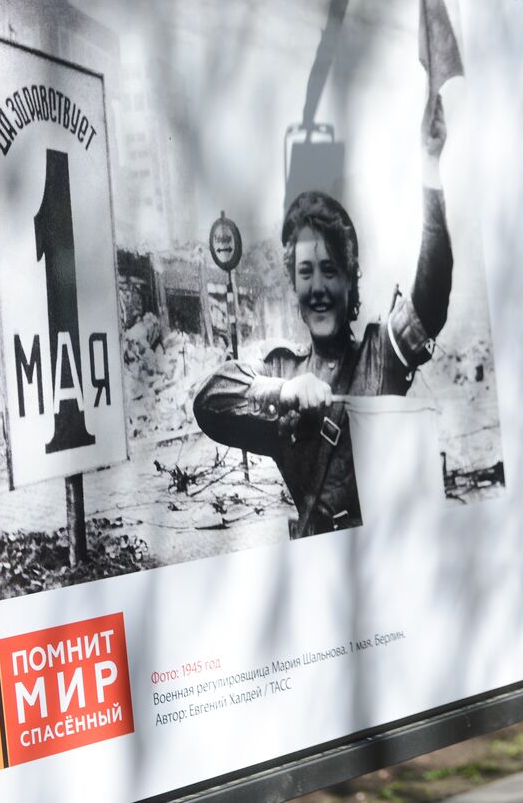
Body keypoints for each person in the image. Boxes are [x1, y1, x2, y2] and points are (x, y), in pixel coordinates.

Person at [193, 100, 453, 539]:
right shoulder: (281, 370)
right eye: (306, 272)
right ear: (294, 287)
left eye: (330, 271)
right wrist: (284, 391)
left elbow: (431, 299)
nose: (317, 288)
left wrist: (430, 167)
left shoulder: (380, 354)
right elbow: (209, 404)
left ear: (350, 282)